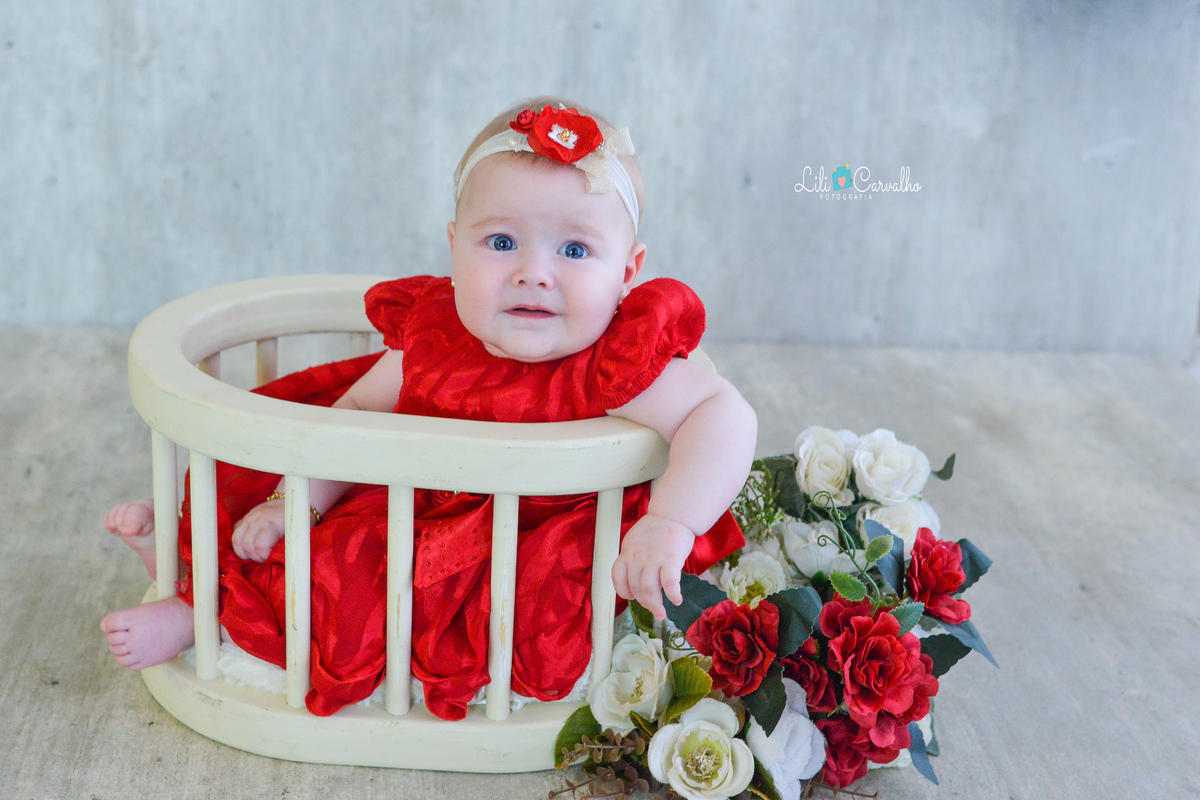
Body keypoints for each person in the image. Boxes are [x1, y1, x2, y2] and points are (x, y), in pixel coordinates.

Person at [101, 97, 757, 719]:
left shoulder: (614, 363)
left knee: (493, 616)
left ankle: (203, 603)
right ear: (453, 246)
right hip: (404, 516)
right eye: (501, 242)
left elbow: (722, 415)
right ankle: (192, 597)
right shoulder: (436, 339)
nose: (533, 272)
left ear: (628, 274)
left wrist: (671, 521)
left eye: (575, 250)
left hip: (531, 553)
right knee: (315, 562)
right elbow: (350, 421)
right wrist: (298, 502)